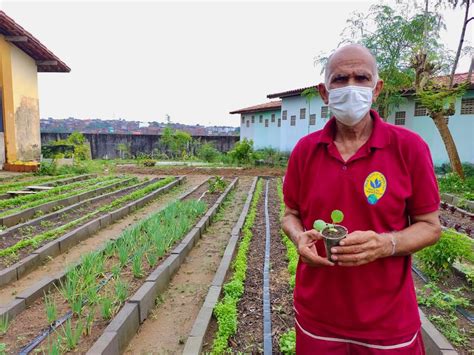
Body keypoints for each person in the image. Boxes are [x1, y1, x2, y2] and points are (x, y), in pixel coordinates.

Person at [282, 44, 441, 354]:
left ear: (377, 88)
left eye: (361, 78)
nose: (351, 87)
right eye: (340, 79)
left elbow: (430, 226)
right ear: (324, 92)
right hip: (318, 316)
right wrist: (299, 236)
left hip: (388, 321)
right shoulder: (305, 150)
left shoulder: (408, 147)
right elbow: (290, 213)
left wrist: (386, 244)